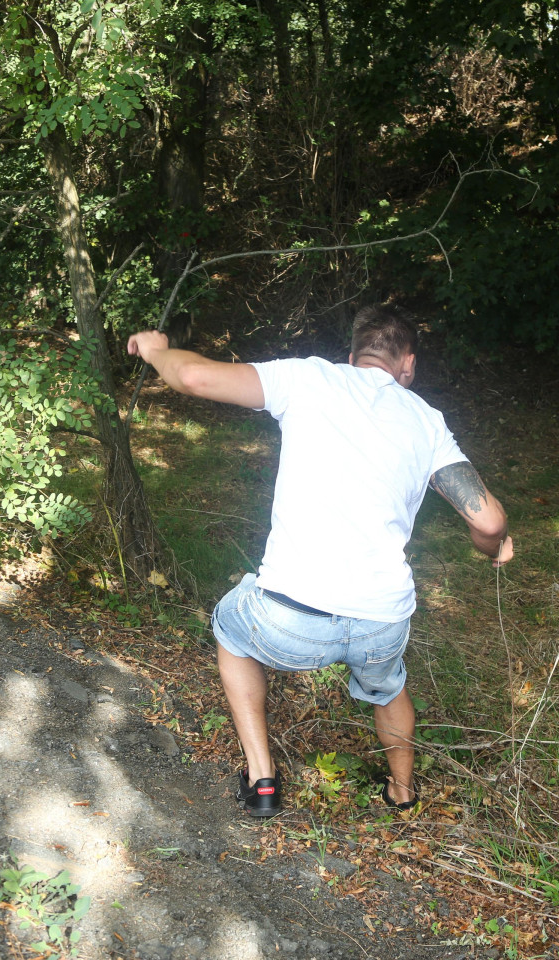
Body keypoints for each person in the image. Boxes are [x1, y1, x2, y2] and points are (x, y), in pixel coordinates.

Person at [126, 305, 512, 817]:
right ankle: (402, 793)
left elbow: (193, 376)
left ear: (351, 357)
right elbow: (489, 521)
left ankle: (262, 780)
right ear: (409, 365)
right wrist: (494, 547)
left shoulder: (309, 378)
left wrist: (156, 350)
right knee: (388, 687)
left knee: (230, 627)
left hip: (289, 620)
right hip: (380, 622)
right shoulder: (427, 420)